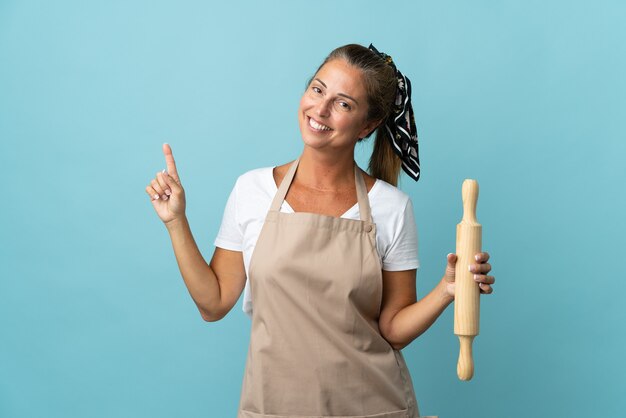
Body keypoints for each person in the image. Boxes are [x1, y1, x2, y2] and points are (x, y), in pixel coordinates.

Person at [145, 44, 495, 418]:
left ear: (368, 125)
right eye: (317, 89)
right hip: (274, 407)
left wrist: (447, 289)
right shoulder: (252, 190)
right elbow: (213, 304)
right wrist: (176, 221)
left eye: (343, 103)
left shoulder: (391, 208)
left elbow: (392, 328)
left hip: (371, 406)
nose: (321, 110)